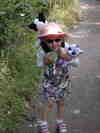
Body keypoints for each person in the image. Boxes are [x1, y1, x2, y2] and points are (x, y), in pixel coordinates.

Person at [35, 23, 83, 133]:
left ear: (61, 39)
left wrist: (66, 57)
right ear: (44, 41)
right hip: (49, 81)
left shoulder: (66, 47)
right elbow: (39, 64)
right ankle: (43, 124)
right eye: (49, 41)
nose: (54, 43)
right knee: (48, 103)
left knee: (61, 102)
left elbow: (76, 63)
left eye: (57, 40)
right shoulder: (42, 51)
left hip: (63, 81)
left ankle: (60, 122)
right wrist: (45, 61)